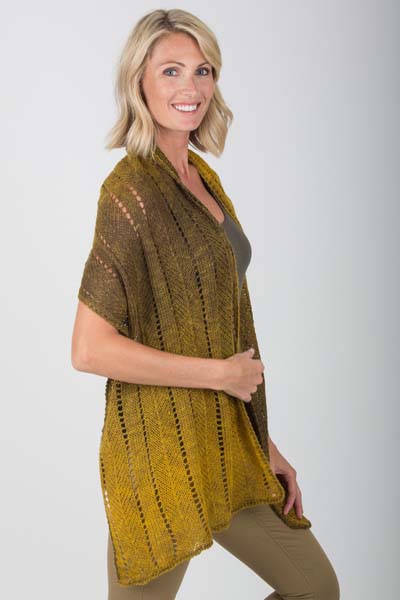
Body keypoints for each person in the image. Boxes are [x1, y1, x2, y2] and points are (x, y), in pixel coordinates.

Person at [71, 8, 340, 600]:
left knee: (315, 588)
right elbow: (89, 349)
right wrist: (219, 375)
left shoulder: (203, 179)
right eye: (170, 71)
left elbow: (214, 327)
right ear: (139, 82)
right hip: (161, 454)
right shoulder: (129, 192)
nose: (190, 87)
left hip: (225, 446)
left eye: (203, 70)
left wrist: (262, 443)